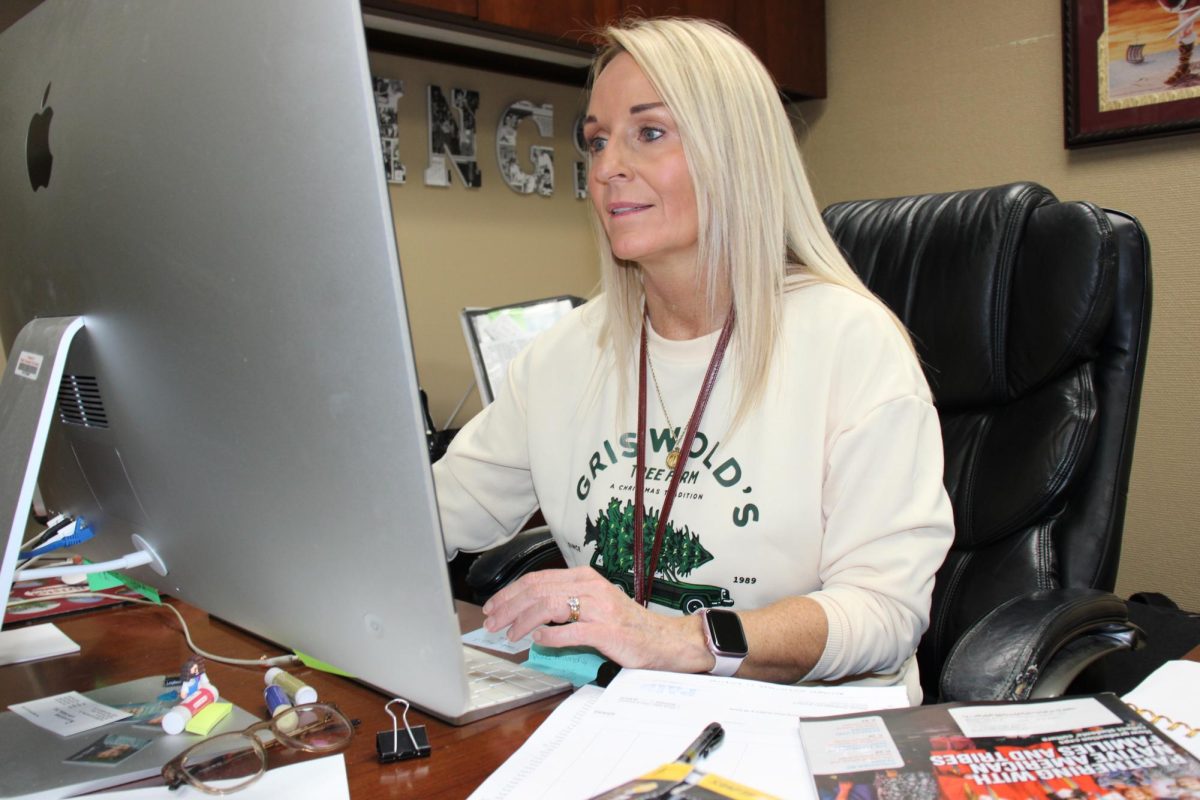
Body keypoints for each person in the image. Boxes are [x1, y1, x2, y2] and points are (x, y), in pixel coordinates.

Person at [433, 17, 953, 703]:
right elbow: (435, 515)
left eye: (649, 133)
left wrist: (675, 639)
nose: (607, 166)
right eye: (596, 139)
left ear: (736, 153)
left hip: (806, 734)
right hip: (621, 716)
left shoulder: (851, 344)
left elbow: (884, 613)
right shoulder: (563, 356)